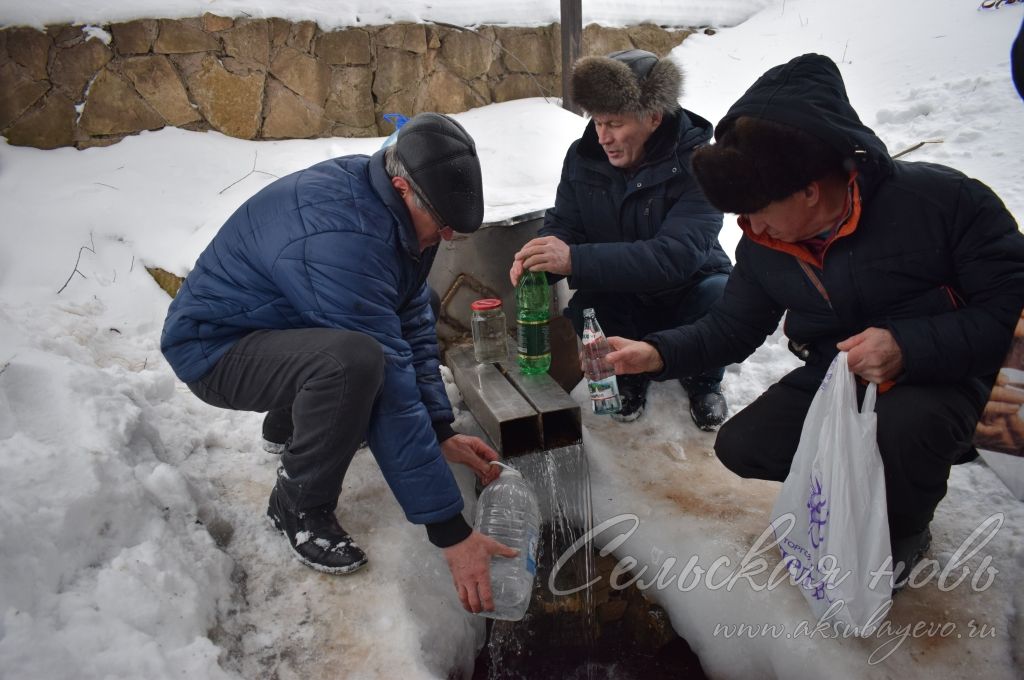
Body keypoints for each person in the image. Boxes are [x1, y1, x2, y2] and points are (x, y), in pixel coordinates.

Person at [603, 53, 1024, 584]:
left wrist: (907, 346)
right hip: (841, 376)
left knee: (908, 426)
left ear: (808, 189)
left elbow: (1006, 312)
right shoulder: (767, 242)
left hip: (943, 375)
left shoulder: (943, 201)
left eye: (758, 208)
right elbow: (732, 326)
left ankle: (905, 527)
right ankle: (861, 486)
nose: (749, 225)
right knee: (742, 446)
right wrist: (657, 353)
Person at [161, 112, 515, 614]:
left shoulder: (390, 209)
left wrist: (438, 430)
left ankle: (290, 421)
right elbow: (390, 385)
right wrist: (451, 533)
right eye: (443, 225)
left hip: (271, 327)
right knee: (354, 363)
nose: (448, 239)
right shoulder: (343, 238)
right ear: (403, 186)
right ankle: (298, 503)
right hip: (213, 351)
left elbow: (409, 316)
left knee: (419, 308)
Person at [509, 49, 733, 430]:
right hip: (623, 295)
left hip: (688, 291)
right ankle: (628, 376)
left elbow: (674, 257)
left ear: (653, 117)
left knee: (721, 295)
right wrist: (540, 258)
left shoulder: (701, 163)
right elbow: (565, 223)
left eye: (614, 124)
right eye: (596, 123)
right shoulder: (583, 158)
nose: (603, 138)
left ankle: (702, 379)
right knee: (588, 308)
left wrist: (574, 260)